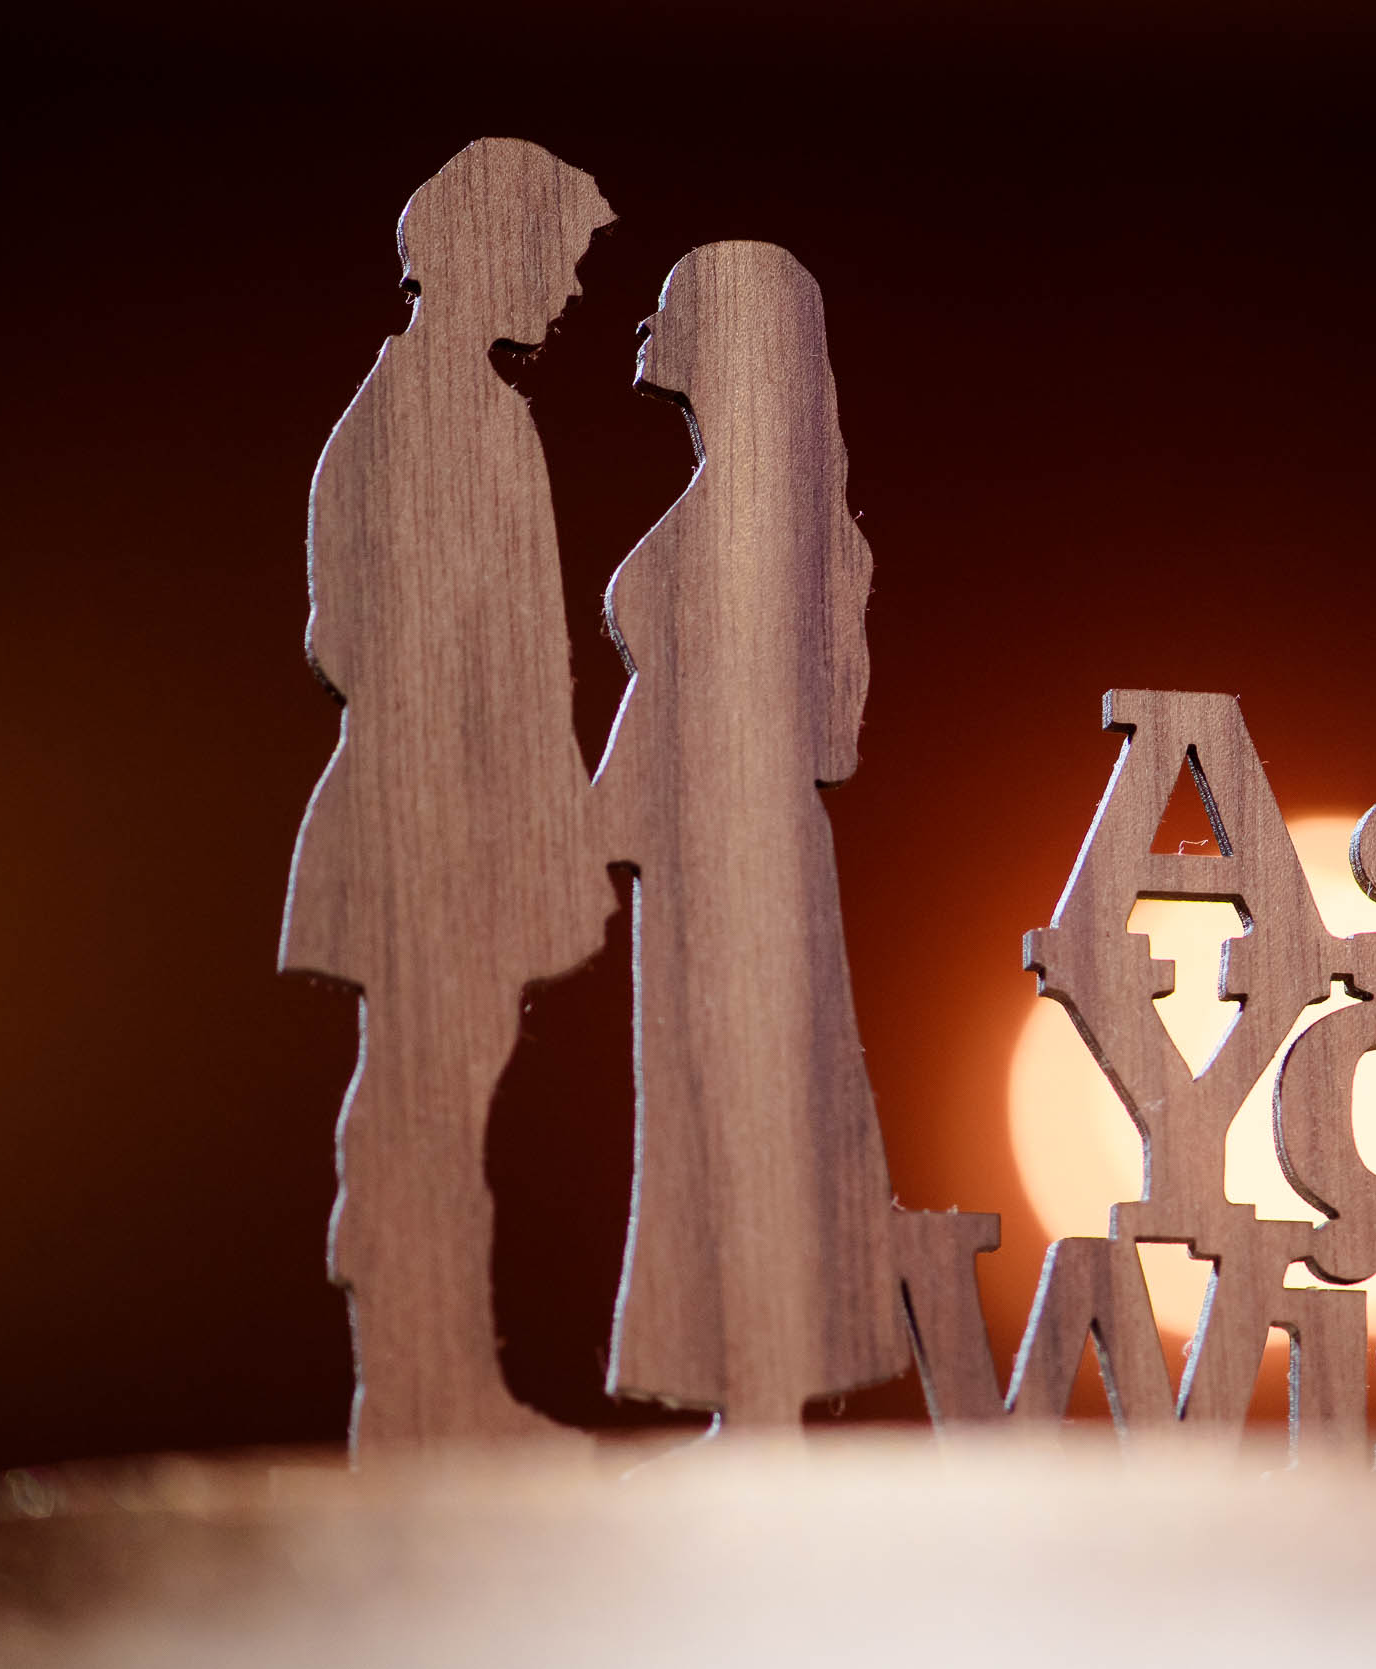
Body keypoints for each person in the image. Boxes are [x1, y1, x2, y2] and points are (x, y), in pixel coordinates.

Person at [281, 138, 616, 1452]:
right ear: (496, 247)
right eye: (565, 259)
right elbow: (354, 639)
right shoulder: (418, 417)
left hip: (470, 828)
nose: (576, 291)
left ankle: (441, 1381)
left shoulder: (479, 414)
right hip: (422, 826)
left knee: (445, 1099)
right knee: (423, 1098)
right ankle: (420, 1389)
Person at [596, 242, 908, 1429]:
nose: (637, 328)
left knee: (751, 1108)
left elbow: (818, 733)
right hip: (701, 850)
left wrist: (609, 816)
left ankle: (764, 1398)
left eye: (665, 310)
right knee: (705, 1105)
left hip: (740, 859)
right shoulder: (738, 501)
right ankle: (744, 1393)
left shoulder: (768, 522)